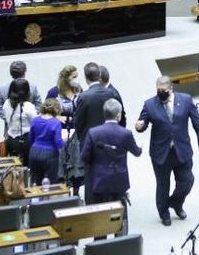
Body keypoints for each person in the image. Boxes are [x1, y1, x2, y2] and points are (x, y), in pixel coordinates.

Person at [135, 76, 199, 226]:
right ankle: (164, 213)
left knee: (187, 181)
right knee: (163, 185)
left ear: (171, 89)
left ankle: (175, 203)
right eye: (158, 90)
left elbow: (197, 122)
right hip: (161, 153)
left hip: (182, 150)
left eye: (164, 90)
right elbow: (142, 122)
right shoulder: (149, 104)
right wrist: (139, 126)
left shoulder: (186, 100)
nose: (160, 92)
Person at [82, 98, 142, 204]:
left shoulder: (93, 132)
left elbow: (85, 156)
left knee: (100, 212)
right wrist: (140, 148)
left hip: (99, 179)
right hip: (118, 179)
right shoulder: (126, 133)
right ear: (119, 115)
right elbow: (136, 153)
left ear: (104, 114)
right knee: (118, 213)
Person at [73, 62, 118, 202]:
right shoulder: (111, 93)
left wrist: (83, 140)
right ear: (99, 76)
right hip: (110, 141)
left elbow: (78, 123)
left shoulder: (83, 97)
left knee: (91, 177)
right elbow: (118, 117)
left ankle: (93, 209)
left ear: (86, 78)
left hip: (90, 143)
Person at [46, 65, 83, 195]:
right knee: (63, 164)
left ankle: (76, 192)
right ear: (66, 78)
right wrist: (57, 117)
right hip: (61, 133)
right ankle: (64, 191)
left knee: (77, 163)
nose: (76, 79)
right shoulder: (53, 92)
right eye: (74, 77)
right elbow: (46, 113)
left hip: (76, 133)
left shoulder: (79, 90)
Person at [28, 98, 64, 185]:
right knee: (50, 183)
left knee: (35, 182)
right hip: (50, 154)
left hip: (34, 152)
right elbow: (58, 143)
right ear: (57, 109)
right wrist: (65, 142)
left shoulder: (35, 120)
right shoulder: (56, 123)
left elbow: (30, 138)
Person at [3, 78, 38, 165]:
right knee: (27, 167)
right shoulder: (28, 106)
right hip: (25, 140)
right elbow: (35, 123)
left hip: (10, 140)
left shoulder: (6, 104)